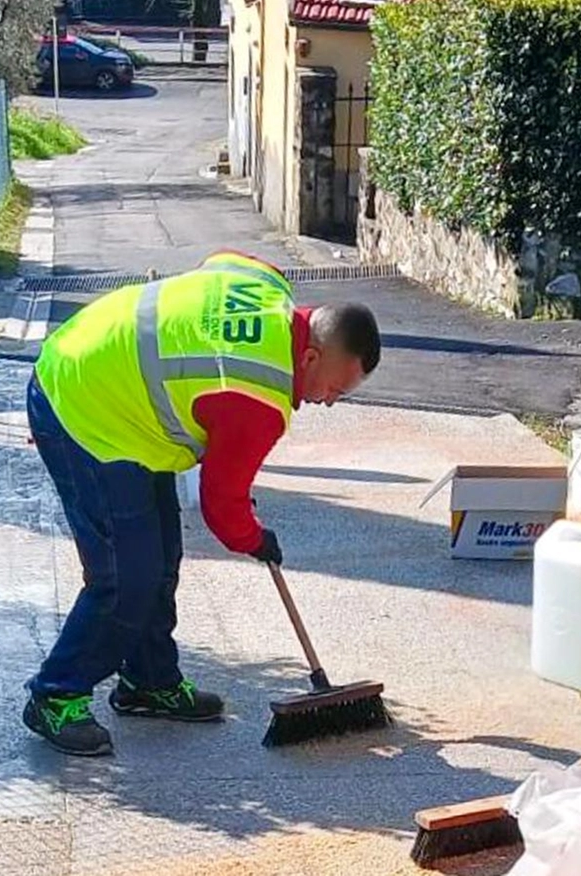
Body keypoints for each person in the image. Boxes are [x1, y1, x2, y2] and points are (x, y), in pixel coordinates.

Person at [21, 250, 381, 756]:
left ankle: (148, 681)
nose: (328, 401)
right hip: (81, 406)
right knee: (127, 575)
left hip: (113, 385)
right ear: (312, 357)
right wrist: (255, 538)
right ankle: (56, 694)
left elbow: (225, 259)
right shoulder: (260, 396)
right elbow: (222, 507)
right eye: (334, 388)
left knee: (162, 556)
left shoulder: (267, 285)